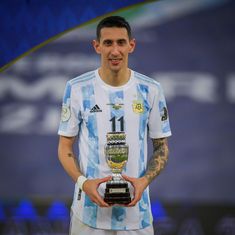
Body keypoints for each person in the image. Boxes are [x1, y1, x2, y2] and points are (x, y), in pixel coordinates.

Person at [58, 15, 171, 235]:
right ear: (97, 46)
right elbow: (64, 147)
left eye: (121, 42)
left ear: (132, 45)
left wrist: (143, 181)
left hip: (136, 217)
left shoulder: (151, 90)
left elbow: (162, 147)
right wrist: (84, 183)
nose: (115, 50)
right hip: (88, 215)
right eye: (108, 43)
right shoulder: (77, 88)